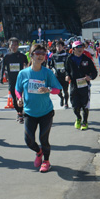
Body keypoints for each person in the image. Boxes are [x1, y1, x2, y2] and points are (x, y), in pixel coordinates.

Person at [15, 44, 62, 173]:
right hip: (29, 112)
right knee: (28, 140)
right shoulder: (23, 73)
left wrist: (49, 89)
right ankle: (38, 152)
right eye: (37, 53)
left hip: (46, 112)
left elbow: (58, 89)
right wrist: (19, 98)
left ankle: (46, 161)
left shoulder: (47, 73)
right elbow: (17, 89)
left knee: (43, 139)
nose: (41, 55)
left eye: (43, 53)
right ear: (31, 55)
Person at [65, 40, 98, 130]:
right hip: (74, 85)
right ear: (73, 49)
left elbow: (95, 72)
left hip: (84, 85)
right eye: (78, 47)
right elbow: (66, 69)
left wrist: (90, 77)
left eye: (82, 47)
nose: (80, 49)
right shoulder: (69, 59)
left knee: (85, 105)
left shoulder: (87, 59)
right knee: (75, 105)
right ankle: (78, 118)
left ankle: (85, 121)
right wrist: (67, 75)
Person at [3, 37, 30, 123]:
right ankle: (19, 112)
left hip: (22, 80)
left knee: (22, 97)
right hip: (12, 80)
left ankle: (21, 113)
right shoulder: (7, 56)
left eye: (15, 45)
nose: (13, 46)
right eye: (12, 45)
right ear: (9, 46)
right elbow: (3, 67)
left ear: (18, 46)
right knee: (15, 99)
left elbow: (28, 65)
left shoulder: (22, 56)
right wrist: (1, 77)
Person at [48, 40, 70, 108]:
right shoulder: (53, 56)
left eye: (60, 46)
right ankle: (61, 98)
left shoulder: (67, 55)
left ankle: (66, 103)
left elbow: (69, 65)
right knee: (58, 91)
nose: (59, 48)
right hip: (57, 76)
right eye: (57, 46)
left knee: (65, 90)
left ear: (63, 47)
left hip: (65, 75)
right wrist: (52, 70)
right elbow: (51, 65)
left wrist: (68, 74)